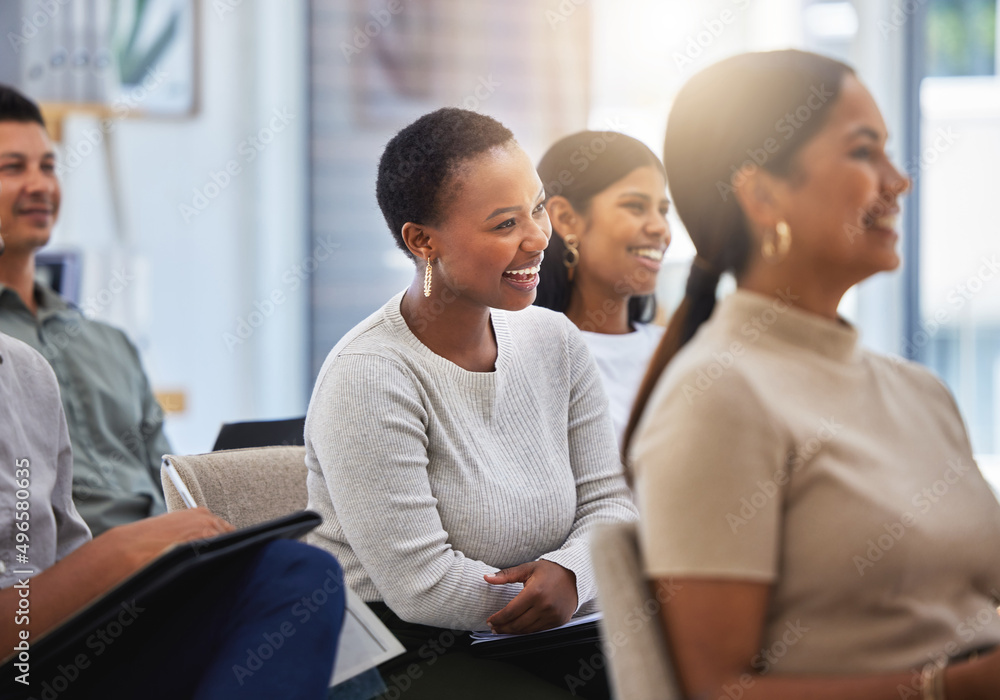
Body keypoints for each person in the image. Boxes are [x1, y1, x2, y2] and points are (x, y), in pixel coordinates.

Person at [626, 50, 1000, 699]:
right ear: (764, 196)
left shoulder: (920, 392)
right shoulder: (717, 398)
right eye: (863, 152)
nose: (898, 179)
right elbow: (719, 691)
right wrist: (952, 688)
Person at [304, 107, 637, 699]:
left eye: (537, 208)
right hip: (397, 651)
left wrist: (571, 574)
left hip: (552, 631)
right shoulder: (370, 376)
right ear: (422, 241)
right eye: (505, 223)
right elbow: (421, 586)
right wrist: (552, 594)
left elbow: (612, 503)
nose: (538, 237)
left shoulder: (554, 341)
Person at [0, 220, 346, 698]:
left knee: (296, 574)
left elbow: (60, 558)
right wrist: (119, 553)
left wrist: (164, 565)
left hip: (59, 641)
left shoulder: (25, 371)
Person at [0, 85, 169, 536]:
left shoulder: (110, 342)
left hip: (170, 564)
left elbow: (170, 481)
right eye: (13, 168)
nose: (40, 185)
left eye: (48, 167)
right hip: (62, 583)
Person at [534, 132, 670, 443]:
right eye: (636, 207)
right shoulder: (524, 360)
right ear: (566, 219)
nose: (660, 228)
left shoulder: (676, 351)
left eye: (663, 210)